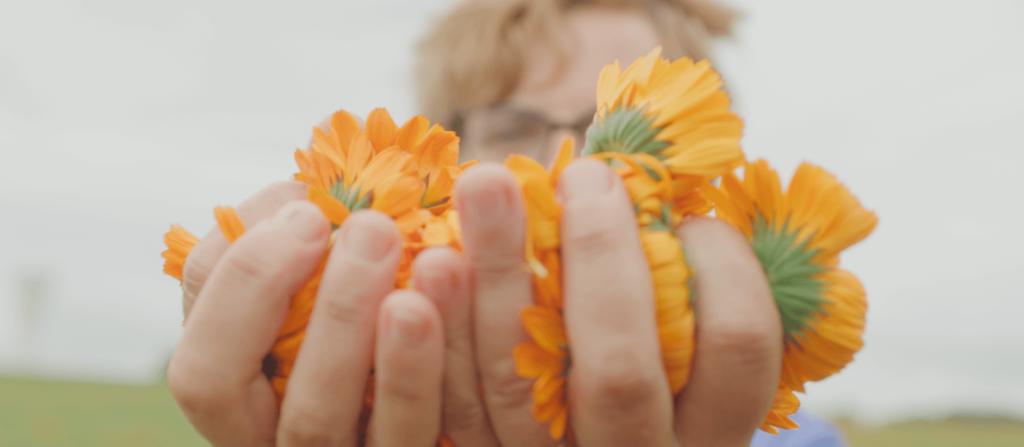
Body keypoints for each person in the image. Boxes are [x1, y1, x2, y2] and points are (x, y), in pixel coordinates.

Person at [165, 0, 847, 446]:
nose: (567, 165)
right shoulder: (360, 386)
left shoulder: (802, 439)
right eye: (514, 125)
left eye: (604, 125)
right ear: (435, 162)